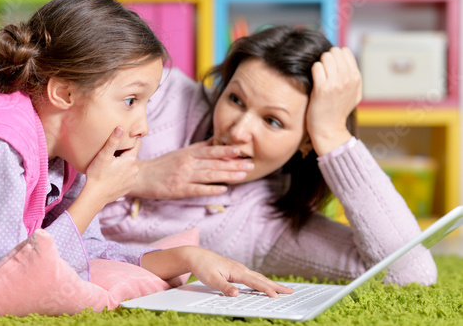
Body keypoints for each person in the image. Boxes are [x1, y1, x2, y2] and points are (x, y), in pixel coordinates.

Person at [0, 0, 293, 299]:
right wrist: (97, 194)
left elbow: (86, 248)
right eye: (130, 100)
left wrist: (186, 258)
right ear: (64, 93)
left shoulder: (68, 153)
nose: (144, 127)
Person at [99, 26, 437, 286]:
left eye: (273, 121)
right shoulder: (159, 94)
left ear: (307, 141)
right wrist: (139, 176)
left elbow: (409, 270)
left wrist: (334, 136)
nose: (238, 130)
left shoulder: (267, 228)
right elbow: (50, 154)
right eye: (236, 100)